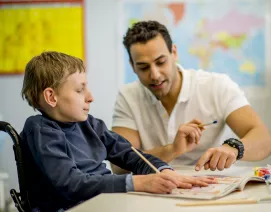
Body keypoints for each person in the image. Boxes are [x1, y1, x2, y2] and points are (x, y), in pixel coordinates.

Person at [20, 51, 213, 212]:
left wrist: (164, 171)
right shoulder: (40, 130)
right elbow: (71, 185)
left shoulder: (90, 124)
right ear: (51, 97)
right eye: (80, 90)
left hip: (103, 202)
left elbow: (130, 154)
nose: (90, 97)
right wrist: (139, 183)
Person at [112, 20, 271, 172]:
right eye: (143, 67)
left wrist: (233, 147)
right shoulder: (128, 96)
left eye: (161, 62)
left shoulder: (217, 86)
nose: (154, 75)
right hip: (152, 187)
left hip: (209, 185)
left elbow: (265, 141)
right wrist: (172, 150)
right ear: (132, 66)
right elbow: (119, 166)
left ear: (173, 53)